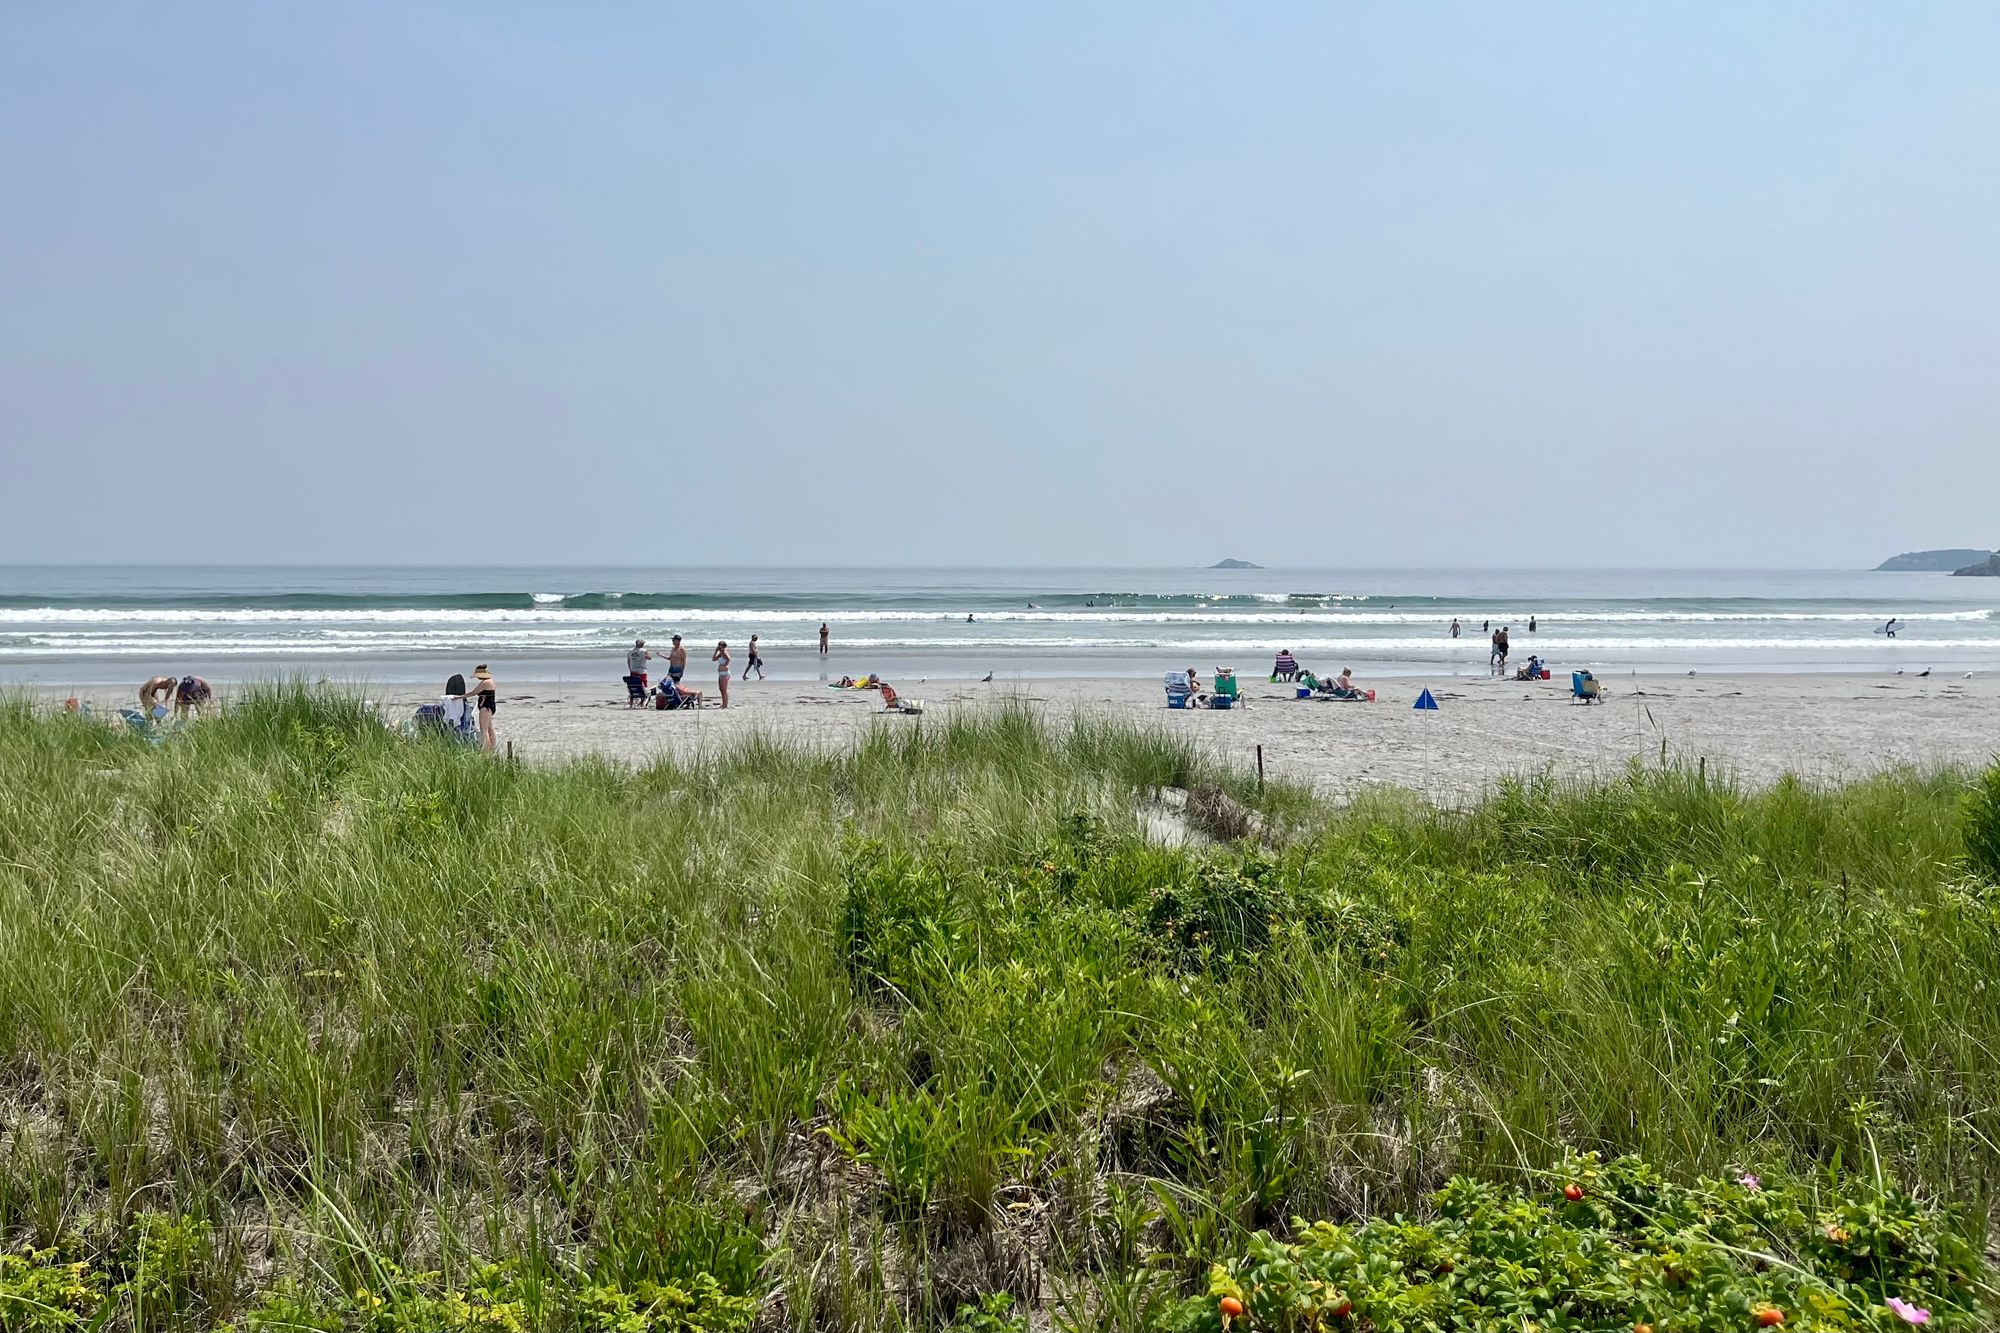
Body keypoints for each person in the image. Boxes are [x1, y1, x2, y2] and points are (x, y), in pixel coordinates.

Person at [471, 664, 497, 752]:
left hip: (485, 707)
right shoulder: (491, 681)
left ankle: (487, 750)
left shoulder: (485, 683)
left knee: (484, 730)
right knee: (490, 728)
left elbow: (473, 692)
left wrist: (459, 697)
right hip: (491, 706)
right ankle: (492, 748)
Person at [712, 640, 732, 708]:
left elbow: (729, 659)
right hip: (720, 673)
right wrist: (716, 651)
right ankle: (723, 703)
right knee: (721, 689)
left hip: (724, 673)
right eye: (719, 647)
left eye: (720, 648)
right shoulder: (720, 653)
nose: (719, 649)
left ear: (723, 647)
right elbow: (713, 659)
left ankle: (725, 704)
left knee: (724, 689)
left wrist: (725, 665)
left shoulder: (724, 652)